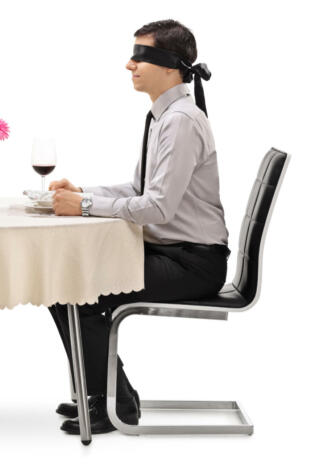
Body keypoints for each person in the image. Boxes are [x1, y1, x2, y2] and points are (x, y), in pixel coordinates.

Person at [48, 19, 229, 435]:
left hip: (192, 263)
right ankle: (105, 392)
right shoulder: (164, 116)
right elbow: (139, 189)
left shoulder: (181, 121)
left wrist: (86, 206)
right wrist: (82, 191)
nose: (130, 65)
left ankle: (113, 403)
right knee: (60, 281)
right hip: (172, 252)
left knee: (76, 286)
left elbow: (158, 208)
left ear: (171, 66)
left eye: (141, 56)